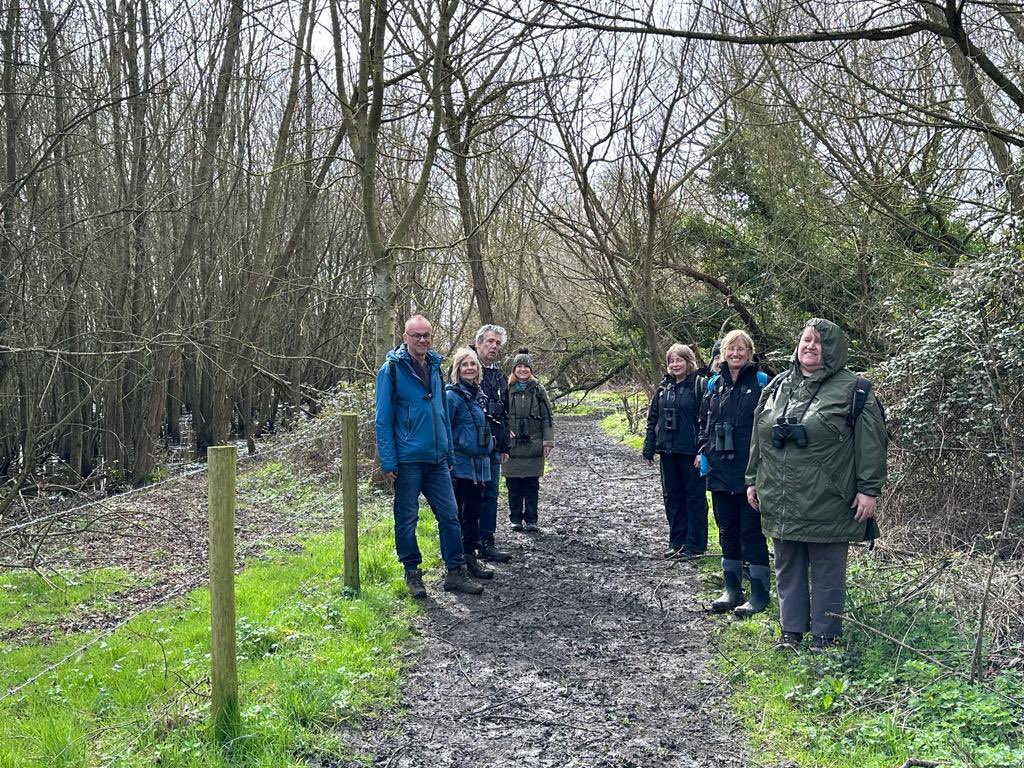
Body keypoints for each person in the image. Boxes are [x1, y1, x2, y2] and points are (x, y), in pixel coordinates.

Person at [746, 318, 887, 650]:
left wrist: (868, 490)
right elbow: (759, 436)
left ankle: (825, 637)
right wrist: (752, 478)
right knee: (787, 565)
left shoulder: (855, 390)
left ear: (832, 349)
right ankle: (791, 632)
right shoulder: (778, 385)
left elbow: (871, 445)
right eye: (805, 340)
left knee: (827, 568)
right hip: (780, 494)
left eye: (818, 342)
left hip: (828, 497)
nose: (810, 346)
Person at [374, 315, 483, 598]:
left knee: (450, 516)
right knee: (406, 518)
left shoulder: (434, 367)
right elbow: (383, 420)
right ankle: (412, 573)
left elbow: (442, 414)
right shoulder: (391, 370)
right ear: (405, 338)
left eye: (427, 335)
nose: (422, 340)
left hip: (437, 460)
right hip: (407, 460)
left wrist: (448, 453)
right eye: (417, 335)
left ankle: (455, 572)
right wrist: (388, 460)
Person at [697, 330, 770, 617]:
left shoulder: (761, 382)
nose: (735, 354)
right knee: (726, 529)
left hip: (749, 470)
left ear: (749, 353)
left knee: (752, 531)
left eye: (741, 349)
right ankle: (731, 590)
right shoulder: (714, 385)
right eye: (731, 349)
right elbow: (704, 421)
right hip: (719, 469)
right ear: (723, 353)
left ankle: (759, 594)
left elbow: (768, 426)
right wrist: (704, 448)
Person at [642, 343, 708, 559]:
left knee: (694, 499)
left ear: (688, 361)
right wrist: (649, 447)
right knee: (672, 498)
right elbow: (653, 419)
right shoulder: (663, 388)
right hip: (668, 451)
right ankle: (677, 542)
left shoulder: (699, 386)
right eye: (671, 361)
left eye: (679, 360)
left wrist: (702, 450)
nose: (675, 364)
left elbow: (706, 420)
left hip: (691, 453)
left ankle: (695, 545)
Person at [446, 347, 496, 581]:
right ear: (457, 369)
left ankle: (471, 557)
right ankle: (458, 562)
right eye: (464, 364)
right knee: (461, 513)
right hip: (461, 465)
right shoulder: (451, 397)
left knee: (474, 512)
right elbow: (446, 430)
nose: (469, 368)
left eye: (473, 364)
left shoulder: (479, 396)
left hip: (480, 465)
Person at [471, 325, 512, 562]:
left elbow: (505, 411)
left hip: (494, 445)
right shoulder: (465, 368)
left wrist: (505, 445)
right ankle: (468, 546)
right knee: (469, 496)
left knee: (491, 495)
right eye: (490, 341)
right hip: (470, 447)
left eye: (497, 343)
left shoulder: (499, 375)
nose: (494, 346)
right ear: (479, 343)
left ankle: (487, 542)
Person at [503, 349, 554, 532]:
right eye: (519, 366)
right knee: (513, 486)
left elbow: (547, 417)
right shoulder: (506, 389)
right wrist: (504, 432)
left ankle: (532, 520)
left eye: (526, 366)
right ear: (514, 369)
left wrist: (548, 441)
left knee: (532, 486)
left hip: (534, 446)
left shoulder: (539, 390)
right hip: (512, 447)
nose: (523, 369)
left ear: (531, 369)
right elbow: (499, 415)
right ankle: (515, 518)